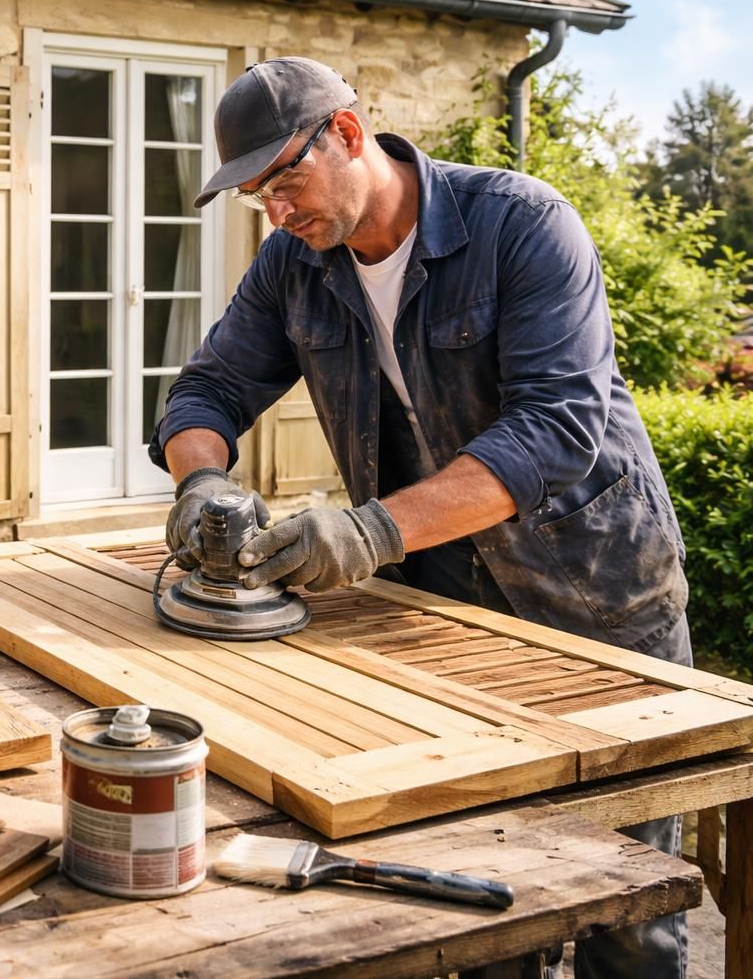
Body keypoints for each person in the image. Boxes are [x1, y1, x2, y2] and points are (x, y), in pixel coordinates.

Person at [152, 57, 690, 979]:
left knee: (626, 918)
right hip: (442, 617)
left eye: (285, 179)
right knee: (475, 908)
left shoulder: (522, 224)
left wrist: (368, 532)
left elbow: (555, 431)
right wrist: (202, 482)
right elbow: (209, 388)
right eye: (256, 196)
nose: (276, 213)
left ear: (350, 135)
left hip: (598, 606)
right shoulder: (295, 264)